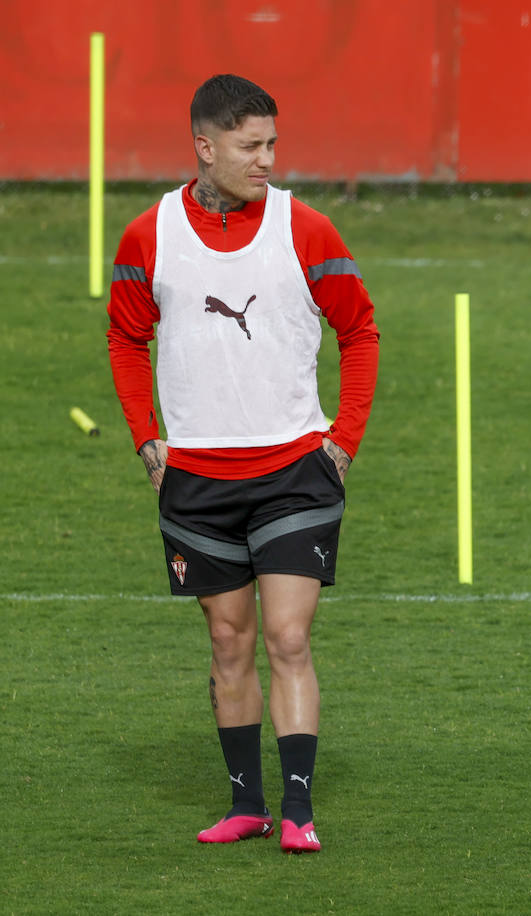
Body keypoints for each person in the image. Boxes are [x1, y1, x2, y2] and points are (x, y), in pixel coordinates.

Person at [106, 74, 380, 853]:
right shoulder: (147, 235)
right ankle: (246, 805)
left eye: (273, 145)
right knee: (229, 642)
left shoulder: (308, 229)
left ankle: (298, 811)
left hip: (296, 472)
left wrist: (344, 438)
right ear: (205, 146)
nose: (267, 160)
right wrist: (144, 436)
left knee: (287, 637)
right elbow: (127, 337)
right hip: (194, 479)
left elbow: (360, 331)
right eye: (251, 146)